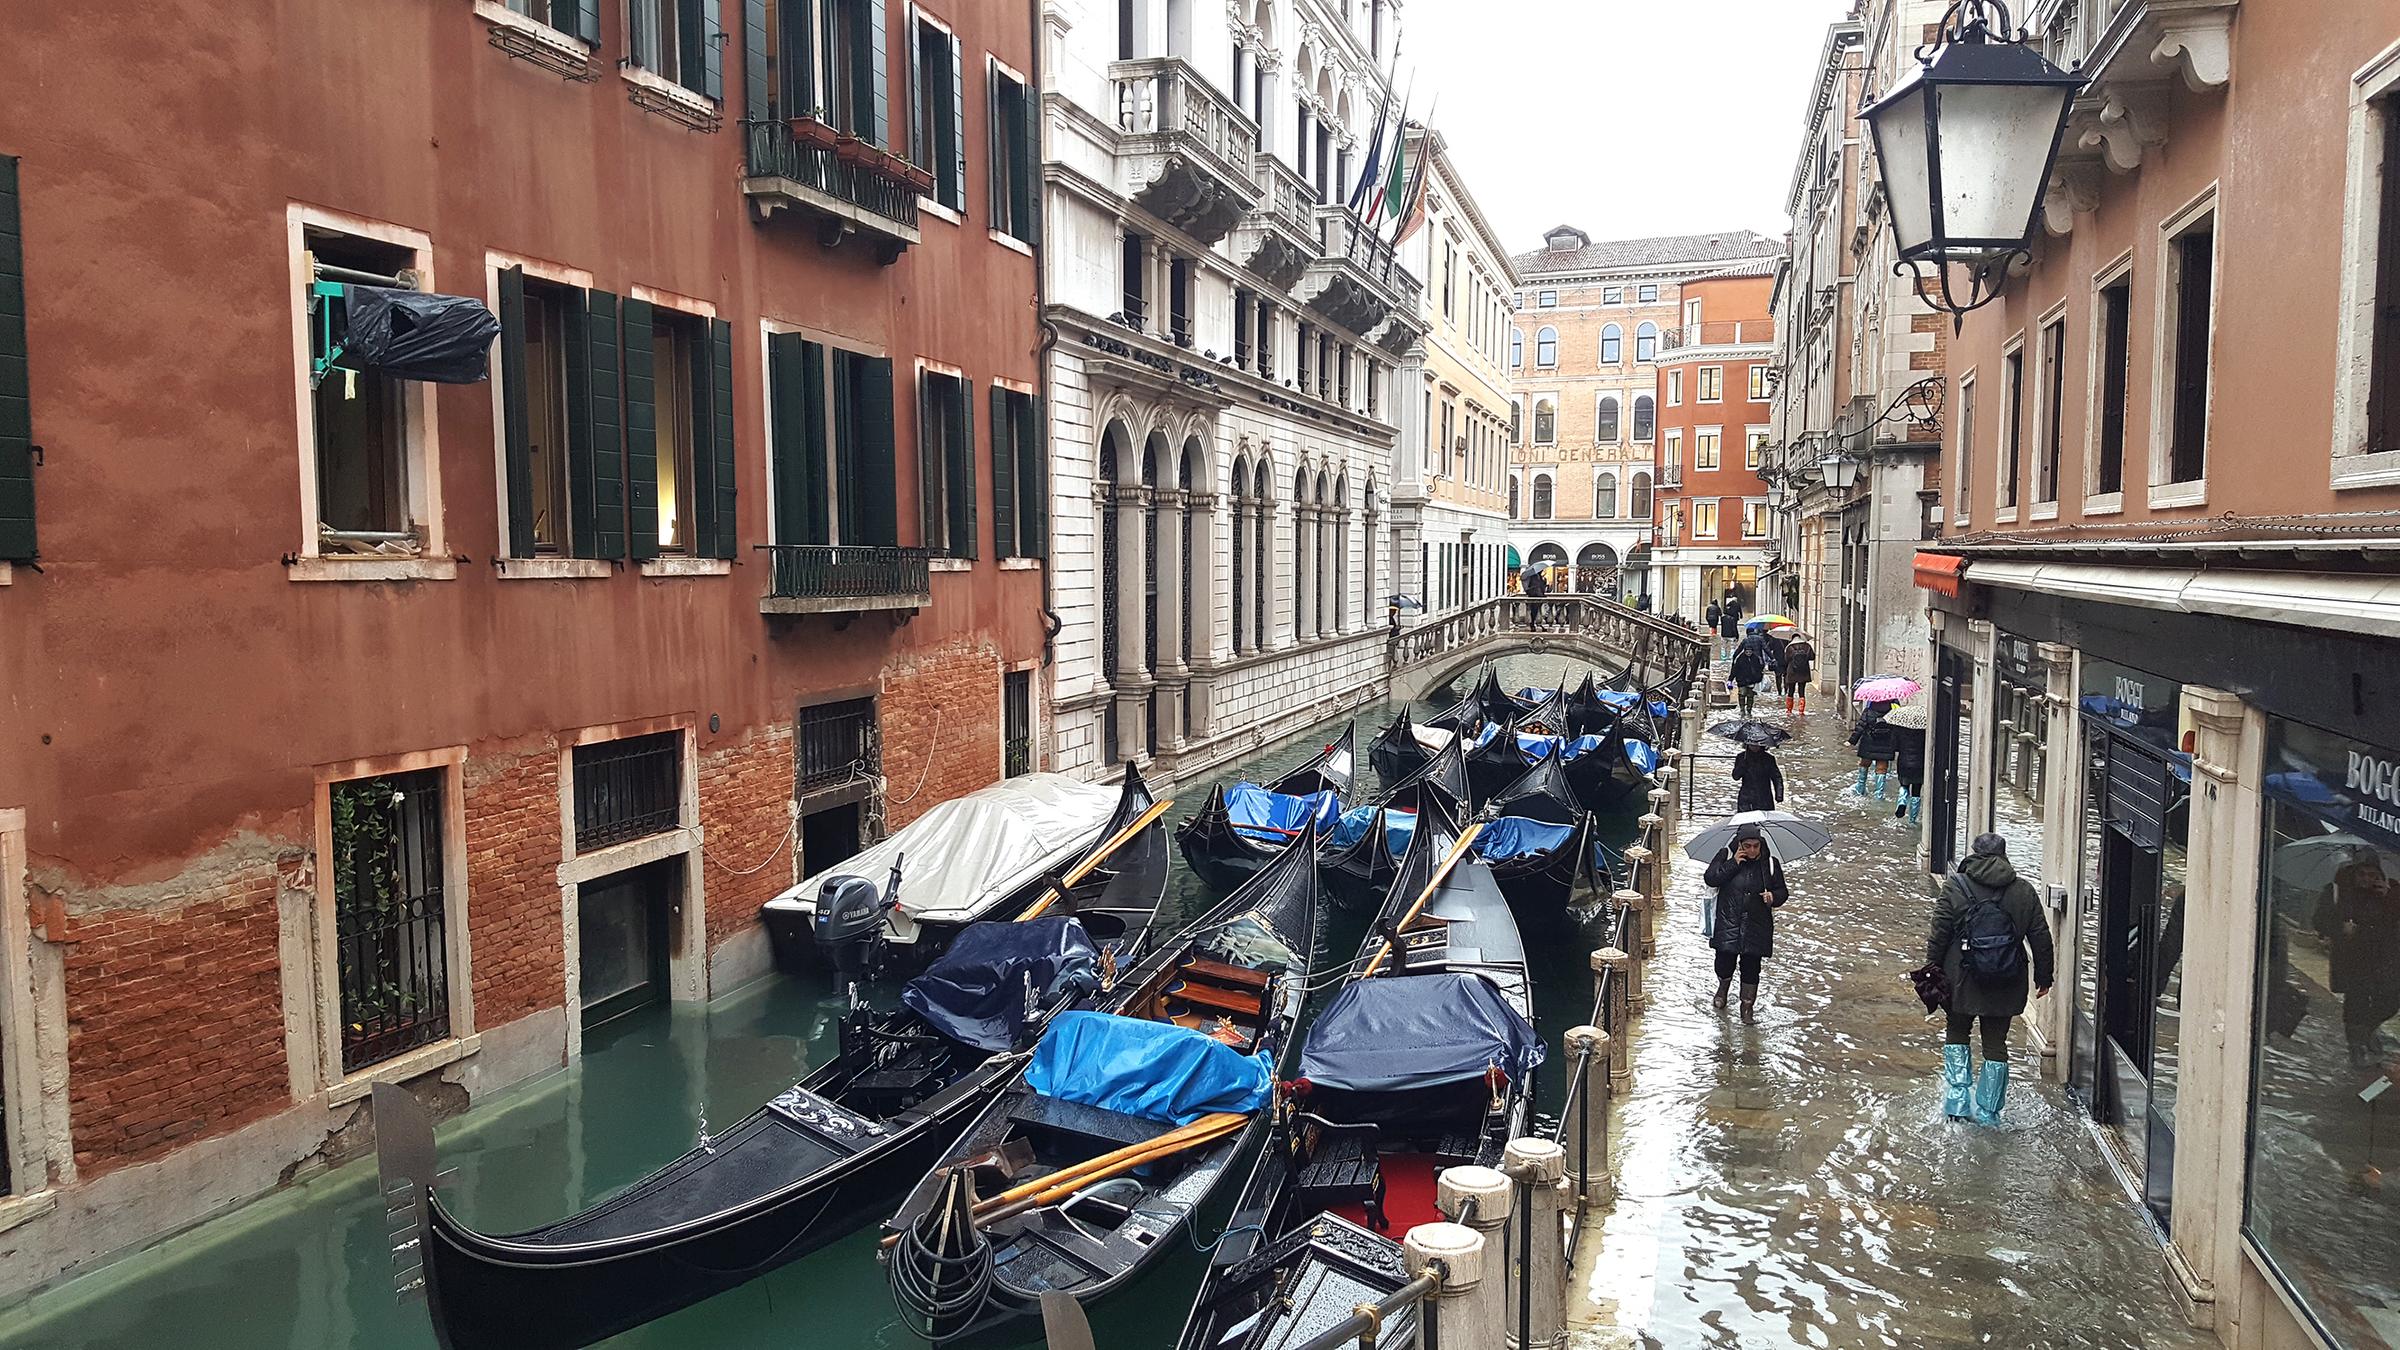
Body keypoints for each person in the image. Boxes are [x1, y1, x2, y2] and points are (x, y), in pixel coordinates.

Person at [1927, 833, 2056, 1124]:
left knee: (1957, 1032)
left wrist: (1932, 969)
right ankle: (1989, 1114)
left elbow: (1939, 933)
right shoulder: (2023, 890)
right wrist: (2044, 977)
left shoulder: (1955, 886)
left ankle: (1957, 1103)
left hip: (1960, 979)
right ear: (2004, 855)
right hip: (2007, 981)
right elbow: (2040, 937)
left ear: (1974, 853)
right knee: (1996, 1044)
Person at [2315, 856, 2400, 1068]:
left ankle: (2366, 1031)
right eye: (2362, 874)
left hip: (2385, 959)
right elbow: (2319, 921)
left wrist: (2390, 898)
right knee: (2356, 1003)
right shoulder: (2337, 891)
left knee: (2391, 1000)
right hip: (2352, 960)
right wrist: (2340, 928)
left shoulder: (2390, 892)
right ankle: (2356, 1047)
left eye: (2372, 875)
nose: (2366, 879)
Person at [1704, 826, 1789, 1023]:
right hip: (1728, 921)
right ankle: (1723, 988)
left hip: (1757, 925)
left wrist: (1773, 897)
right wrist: (1733, 863)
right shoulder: (1725, 855)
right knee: (1724, 962)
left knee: (1751, 968)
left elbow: (1782, 891)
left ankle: (1747, 1006)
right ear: (1740, 844)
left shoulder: (1770, 864)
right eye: (1747, 846)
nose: (1752, 850)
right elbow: (1711, 878)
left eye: (1755, 846)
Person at [1849, 699, 1901, 798]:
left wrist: (1852, 741)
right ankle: (1879, 794)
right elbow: (1897, 730)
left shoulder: (1868, 711)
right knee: (1882, 768)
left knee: (1864, 764)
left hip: (1868, 743)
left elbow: (1860, 727)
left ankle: (1860, 788)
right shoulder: (1893, 713)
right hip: (1886, 745)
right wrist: (1898, 746)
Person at [1890, 721, 1928, 824]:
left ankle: (1902, 801)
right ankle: (1912, 819)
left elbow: (1894, 747)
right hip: (1919, 764)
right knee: (1916, 791)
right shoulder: (1924, 731)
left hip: (1904, 763)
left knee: (1904, 785)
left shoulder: (1900, 729)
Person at [1731, 743, 1784, 814]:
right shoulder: (1741, 757)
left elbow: (1776, 777)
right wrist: (1742, 765)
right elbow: (1735, 776)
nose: (1754, 747)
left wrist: (1779, 794)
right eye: (1752, 745)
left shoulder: (1768, 758)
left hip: (1764, 797)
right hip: (1746, 798)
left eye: (1757, 745)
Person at [1730, 632, 1769, 718]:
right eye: (1747, 651)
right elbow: (1735, 670)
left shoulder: (1755, 658)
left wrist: (1759, 677)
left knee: (1750, 696)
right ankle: (1742, 710)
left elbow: (1759, 669)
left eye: (1750, 651)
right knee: (1742, 694)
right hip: (1742, 680)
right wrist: (1730, 679)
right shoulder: (1740, 659)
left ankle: (1749, 710)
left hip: (1752, 680)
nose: (1748, 653)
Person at [1780, 635, 1816, 715]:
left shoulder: (1789, 647)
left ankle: (1789, 710)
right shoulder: (1807, 646)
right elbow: (1812, 657)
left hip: (1792, 671)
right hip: (1804, 671)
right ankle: (1801, 711)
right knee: (1802, 691)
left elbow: (1786, 660)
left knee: (1791, 691)